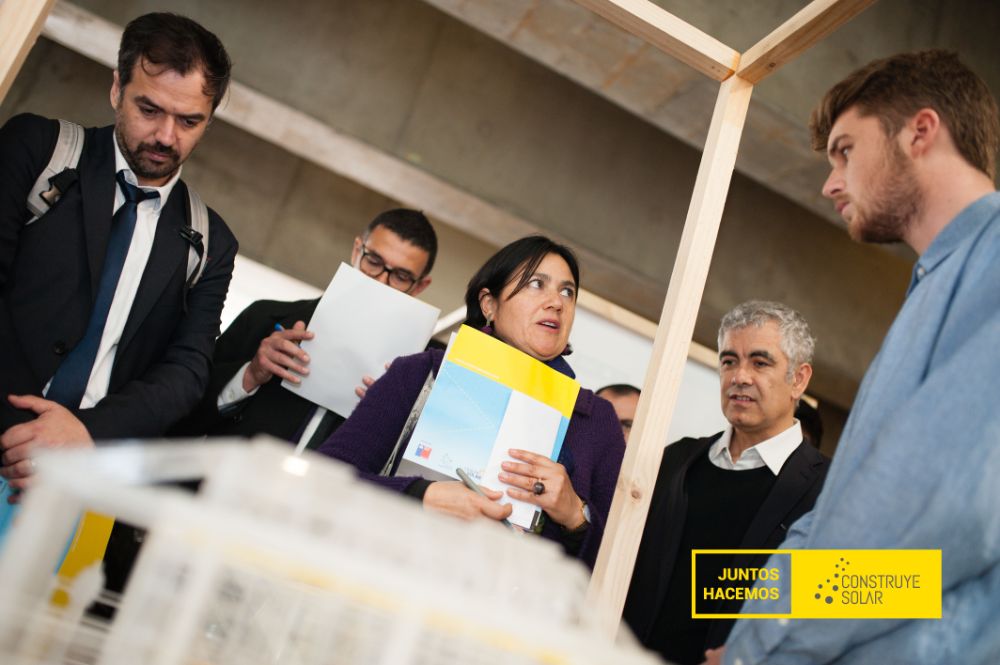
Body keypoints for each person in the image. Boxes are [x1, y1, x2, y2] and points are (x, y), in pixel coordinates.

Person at [717, 50, 1000, 665]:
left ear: (920, 132)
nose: (830, 183)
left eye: (845, 150)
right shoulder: (932, 289)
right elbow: (840, 518)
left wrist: (768, 642)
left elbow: (933, 519)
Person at [0, 13, 236, 494]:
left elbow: (186, 372)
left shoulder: (211, 241)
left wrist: (85, 434)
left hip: (79, 480)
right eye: (149, 109)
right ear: (116, 89)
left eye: (189, 121)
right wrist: (24, 441)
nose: (166, 136)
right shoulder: (37, 150)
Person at [317, 236, 626, 567]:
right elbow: (322, 479)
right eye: (536, 284)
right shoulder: (421, 372)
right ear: (489, 304)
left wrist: (576, 516)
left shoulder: (596, 419)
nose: (556, 302)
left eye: (567, 292)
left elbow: (622, 565)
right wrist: (421, 495)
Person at [622, 301, 829, 665]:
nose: (739, 377)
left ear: (799, 379)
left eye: (760, 363)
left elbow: (875, 596)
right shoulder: (674, 462)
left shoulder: (830, 491)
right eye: (729, 361)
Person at [172, 209, 436, 449]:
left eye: (401, 276)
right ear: (357, 251)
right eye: (374, 261)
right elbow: (179, 414)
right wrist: (250, 374)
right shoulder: (263, 317)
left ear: (420, 286)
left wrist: (396, 418)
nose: (381, 281)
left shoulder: (418, 380)